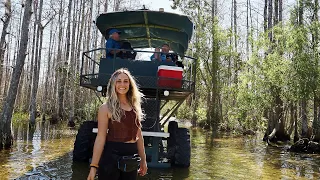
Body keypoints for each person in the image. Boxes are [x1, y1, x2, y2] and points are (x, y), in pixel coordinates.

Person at [87, 68, 148, 180]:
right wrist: (94, 166)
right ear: (113, 83)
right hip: (111, 158)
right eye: (118, 81)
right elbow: (100, 138)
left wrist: (143, 160)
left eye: (126, 81)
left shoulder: (135, 107)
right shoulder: (105, 108)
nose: (122, 84)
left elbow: (139, 135)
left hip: (131, 158)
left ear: (130, 84)